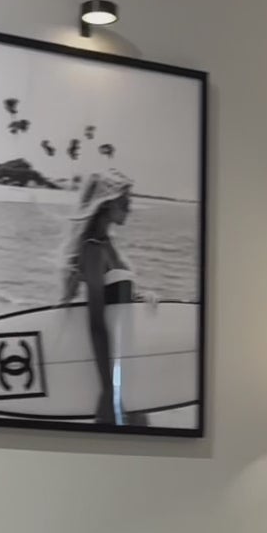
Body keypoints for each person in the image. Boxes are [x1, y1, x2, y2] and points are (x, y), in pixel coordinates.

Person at [59, 168, 151, 426]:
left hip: (124, 361)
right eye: (125, 201)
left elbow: (117, 301)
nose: (130, 208)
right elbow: (97, 325)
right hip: (115, 369)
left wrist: (143, 298)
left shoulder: (105, 243)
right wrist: (111, 389)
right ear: (108, 204)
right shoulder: (93, 250)